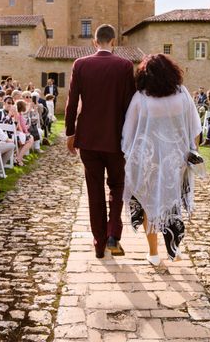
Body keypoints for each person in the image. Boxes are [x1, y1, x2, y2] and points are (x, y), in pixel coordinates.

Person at [122, 54, 201, 265]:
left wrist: (128, 157)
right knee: (171, 202)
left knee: (149, 203)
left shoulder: (140, 97)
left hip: (148, 159)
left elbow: (128, 132)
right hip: (176, 158)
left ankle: (153, 253)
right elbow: (195, 126)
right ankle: (174, 248)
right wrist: (193, 150)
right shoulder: (182, 94)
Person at [65, 24, 136, 258]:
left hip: (88, 140)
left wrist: (70, 132)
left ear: (95, 42)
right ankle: (114, 233)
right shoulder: (125, 66)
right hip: (117, 139)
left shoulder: (81, 64)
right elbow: (130, 105)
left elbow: (72, 102)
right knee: (117, 186)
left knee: (94, 191)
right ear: (113, 42)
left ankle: (98, 244)